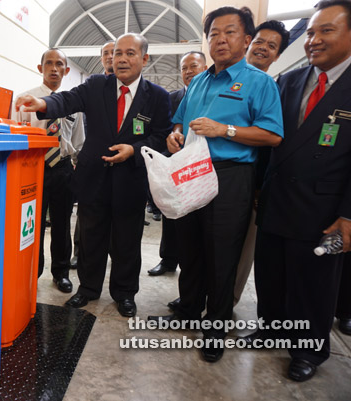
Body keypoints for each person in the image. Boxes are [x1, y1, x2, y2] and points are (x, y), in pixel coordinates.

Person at [148, 6, 284, 364]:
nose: (220, 40)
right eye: (213, 34)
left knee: (222, 255)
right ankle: (189, 307)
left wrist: (227, 130)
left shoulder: (260, 82)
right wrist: (175, 137)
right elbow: (179, 123)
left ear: (246, 39)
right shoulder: (200, 81)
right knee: (189, 245)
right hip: (191, 168)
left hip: (230, 175)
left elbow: (272, 134)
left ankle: (216, 328)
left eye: (229, 32)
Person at [15, 33, 172, 317]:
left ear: (144, 58)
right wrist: (42, 105)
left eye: (130, 53)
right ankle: (87, 289)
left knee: (127, 240)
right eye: (117, 53)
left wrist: (134, 150)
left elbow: (161, 137)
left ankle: (124, 293)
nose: (121, 59)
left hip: (130, 180)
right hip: (94, 178)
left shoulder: (157, 97)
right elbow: (68, 99)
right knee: (90, 237)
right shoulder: (97, 85)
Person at [253, 0, 351, 382]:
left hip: (323, 210)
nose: (313, 40)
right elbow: (270, 140)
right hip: (277, 200)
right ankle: (270, 327)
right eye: (310, 32)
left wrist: (348, 215)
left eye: (326, 30)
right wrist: (259, 189)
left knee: (313, 284)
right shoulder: (289, 81)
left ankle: (307, 350)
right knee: (271, 274)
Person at [12, 48, 85, 293]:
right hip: (33, 167)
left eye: (59, 64)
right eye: (49, 63)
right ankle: (32, 270)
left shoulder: (73, 104)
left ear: (66, 70)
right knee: (32, 225)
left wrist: (74, 166)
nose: (54, 68)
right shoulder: (24, 100)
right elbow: (16, 133)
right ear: (40, 68)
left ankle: (61, 273)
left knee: (63, 223)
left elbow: (78, 140)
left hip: (63, 169)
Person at [233, 20, 290, 305]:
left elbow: (273, 142)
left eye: (272, 46)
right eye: (259, 42)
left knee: (242, 249)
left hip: (254, 183)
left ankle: (224, 304)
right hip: (213, 177)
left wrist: (259, 187)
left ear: (278, 55)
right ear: (247, 42)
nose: (263, 49)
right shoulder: (224, 79)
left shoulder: (277, 88)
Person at [148, 51, 207, 278]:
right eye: (184, 68)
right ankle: (168, 260)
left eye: (194, 66)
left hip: (200, 170)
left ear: (205, 69)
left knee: (194, 224)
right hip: (173, 165)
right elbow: (162, 129)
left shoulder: (210, 96)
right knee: (170, 216)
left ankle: (190, 270)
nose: (189, 71)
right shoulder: (170, 98)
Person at [71, 40, 116, 270]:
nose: (110, 56)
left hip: (120, 162)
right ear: (101, 59)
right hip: (92, 159)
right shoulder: (93, 86)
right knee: (86, 215)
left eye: (114, 52)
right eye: (106, 53)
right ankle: (80, 253)